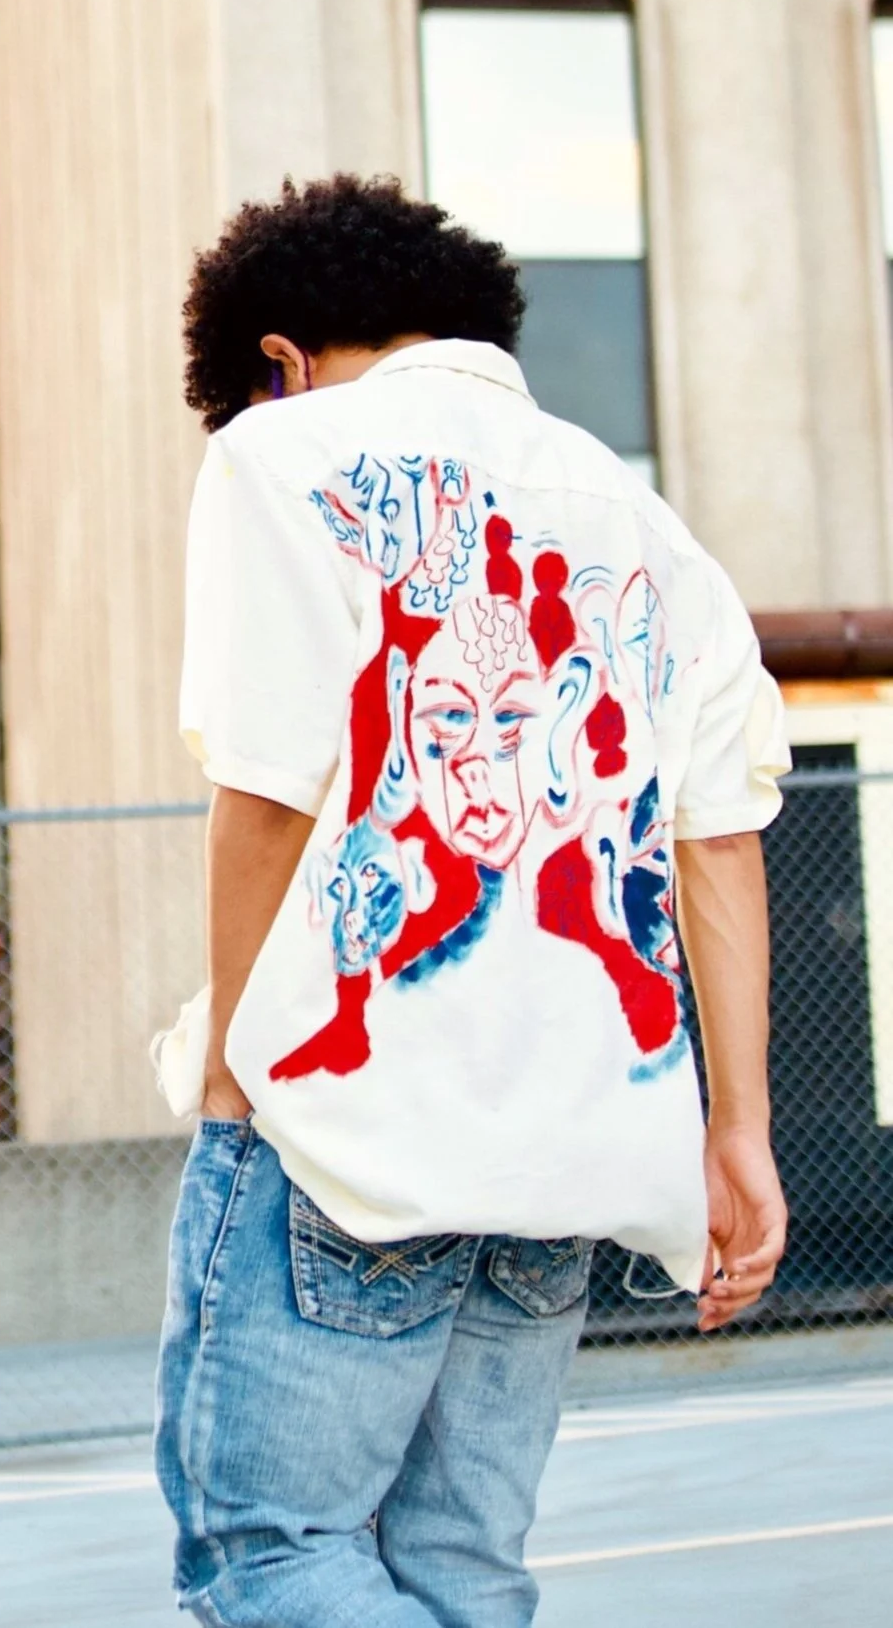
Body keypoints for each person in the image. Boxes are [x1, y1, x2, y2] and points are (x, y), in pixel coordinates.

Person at [154, 174, 790, 1628]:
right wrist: (737, 1129)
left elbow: (267, 793)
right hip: (571, 1157)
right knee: (458, 1569)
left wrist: (237, 1068)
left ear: (278, 359)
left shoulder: (281, 453)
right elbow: (723, 834)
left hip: (350, 1139)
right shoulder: (639, 513)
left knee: (267, 1553)